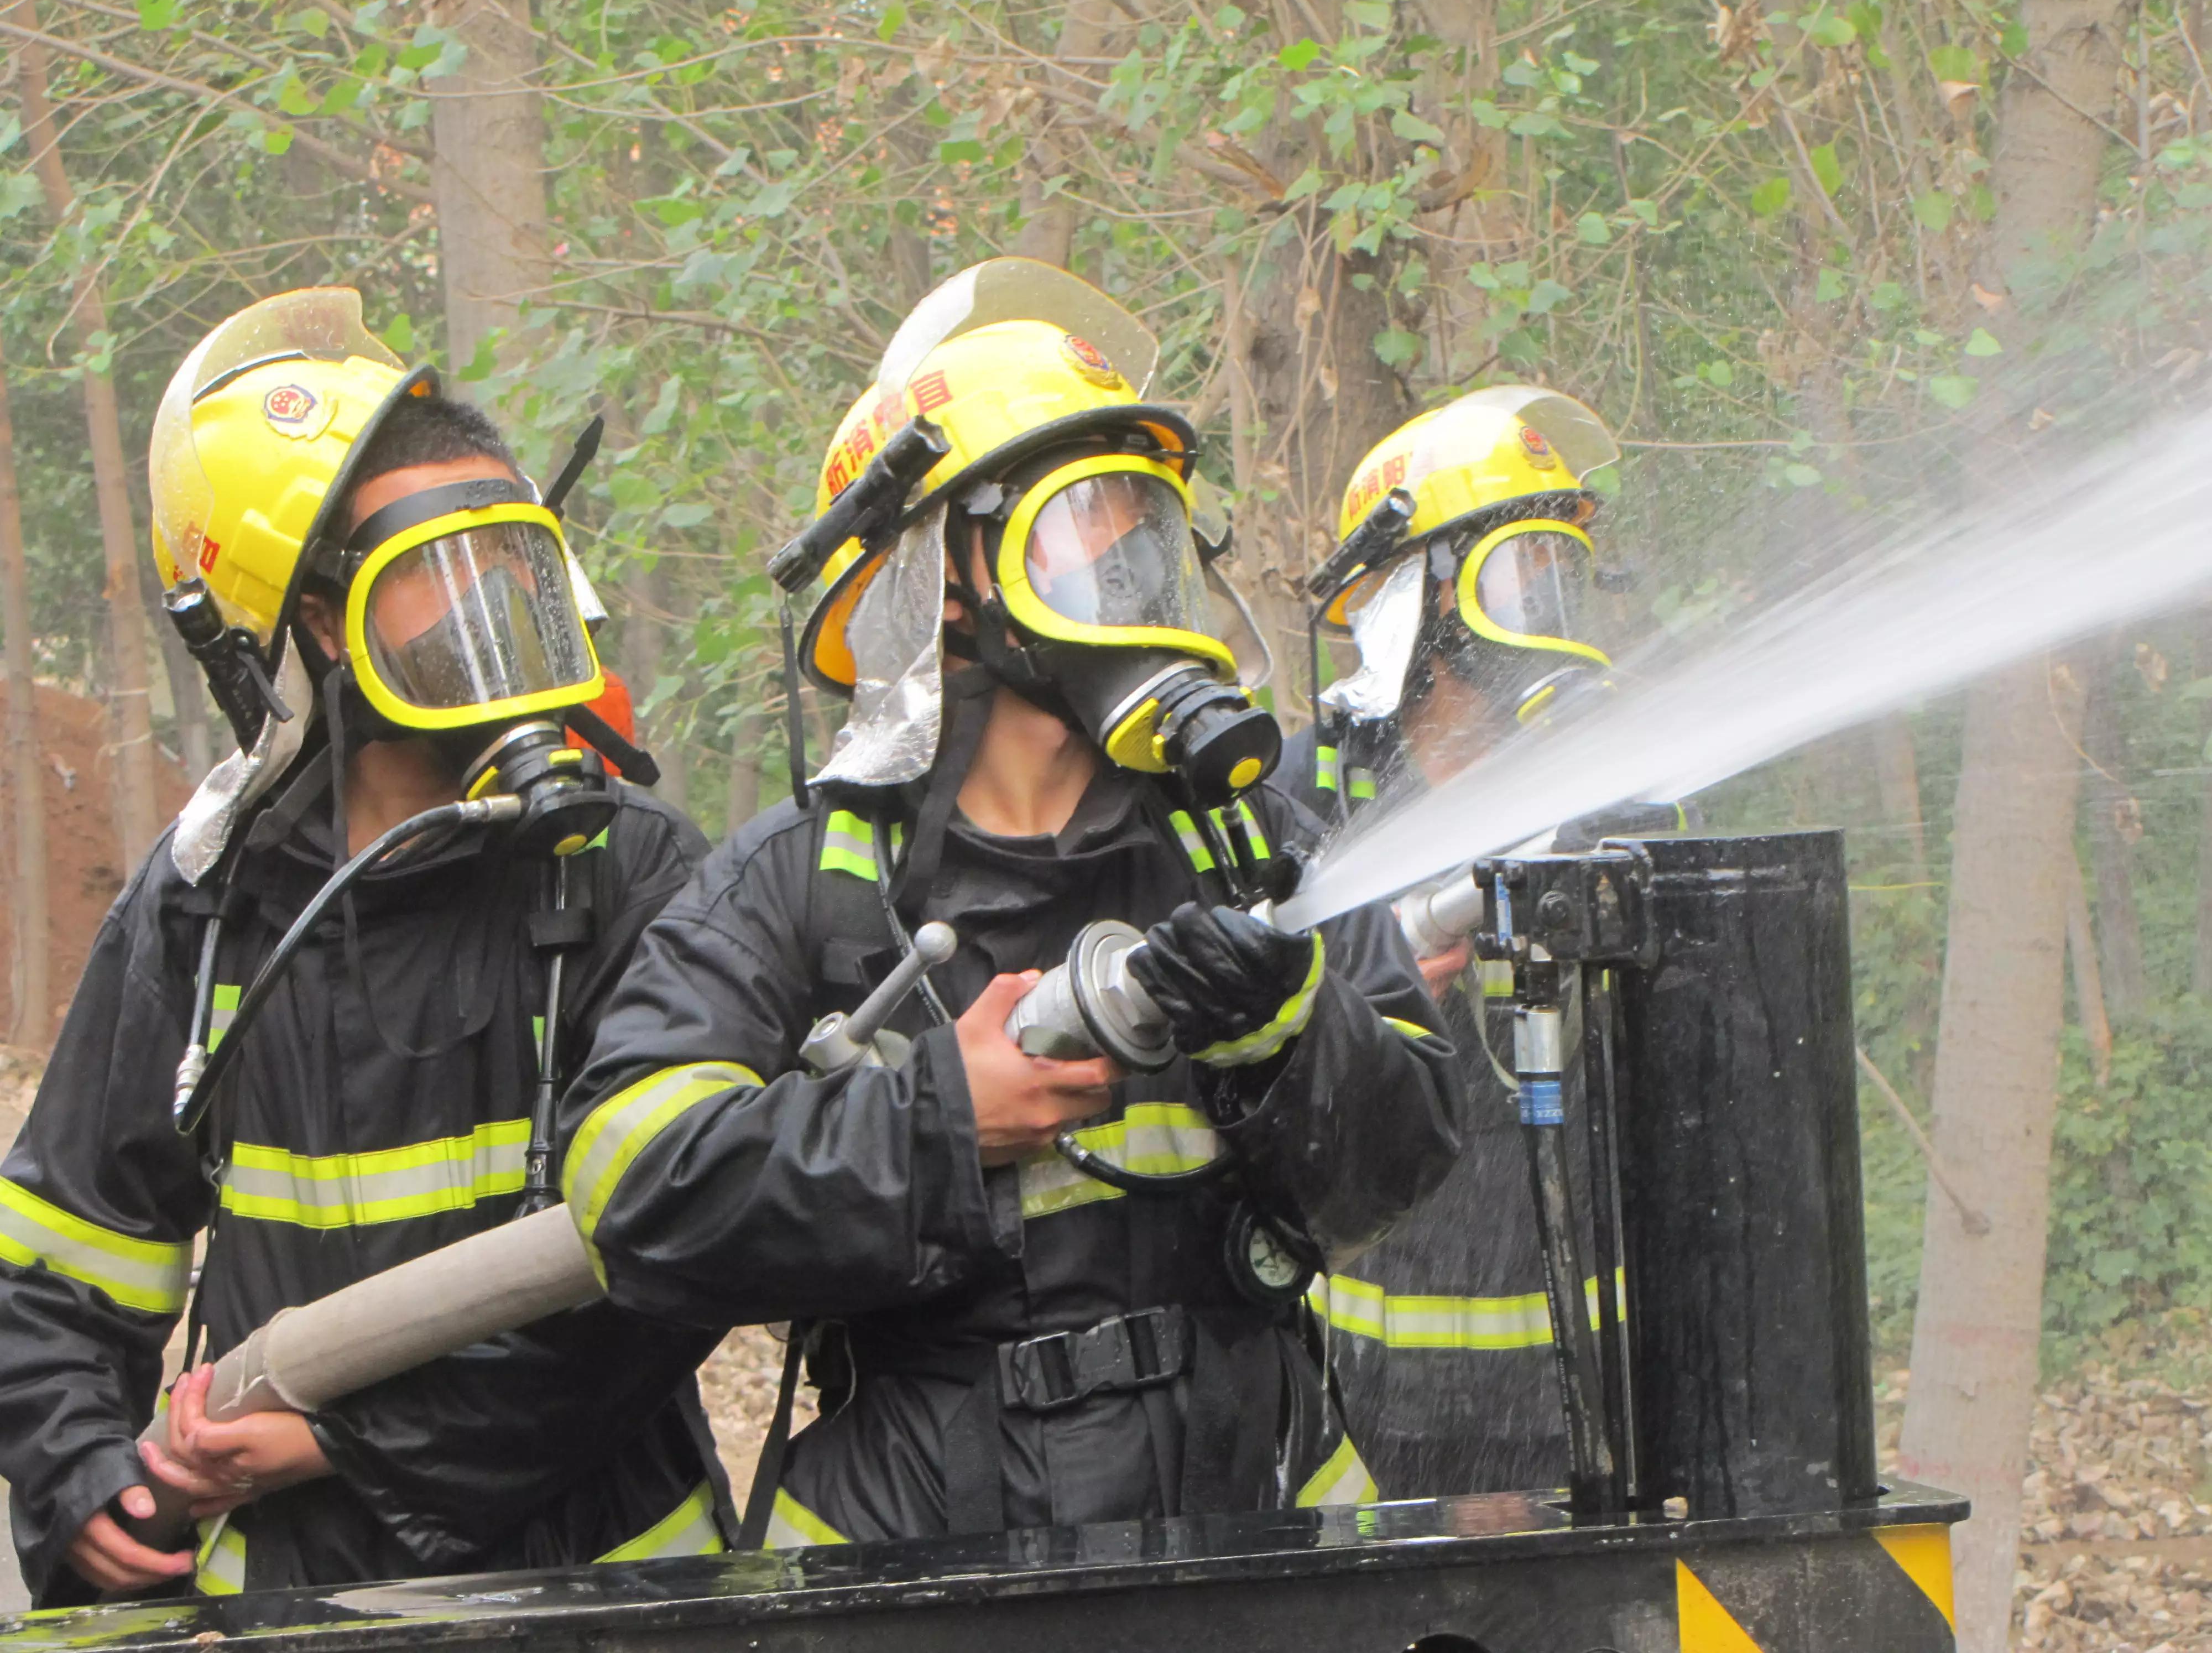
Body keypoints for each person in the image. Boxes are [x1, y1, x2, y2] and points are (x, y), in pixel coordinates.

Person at [558, 259, 1459, 1548]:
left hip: (1264, 1542)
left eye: (1145, 523)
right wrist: (935, 1119)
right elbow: (629, 1187)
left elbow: (1406, 1158)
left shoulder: (1255, 844)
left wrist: (1292, 1029)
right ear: (947, 576)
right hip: (929, 1558)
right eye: (1077, 522)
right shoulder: (802, 882)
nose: (1130, 563)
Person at [0, 289, 728, 1604]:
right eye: (432, 586)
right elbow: (66, 1256)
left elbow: (676, 1277)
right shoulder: (204, 906)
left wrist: (342, 1442)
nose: (487, 620)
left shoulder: (628, 867)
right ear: (323, 626)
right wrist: (75, 1476)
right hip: (287, 1601)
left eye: (510, 570)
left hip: (604, 1590)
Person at [1276, 386, 1672, 1499]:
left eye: (1563, 573)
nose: (1549, 609)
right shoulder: (1292, 807)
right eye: (1520, 573)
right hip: (1342, 1423)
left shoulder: (1617, 805)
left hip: (1585, 1409)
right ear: (1421, 597)